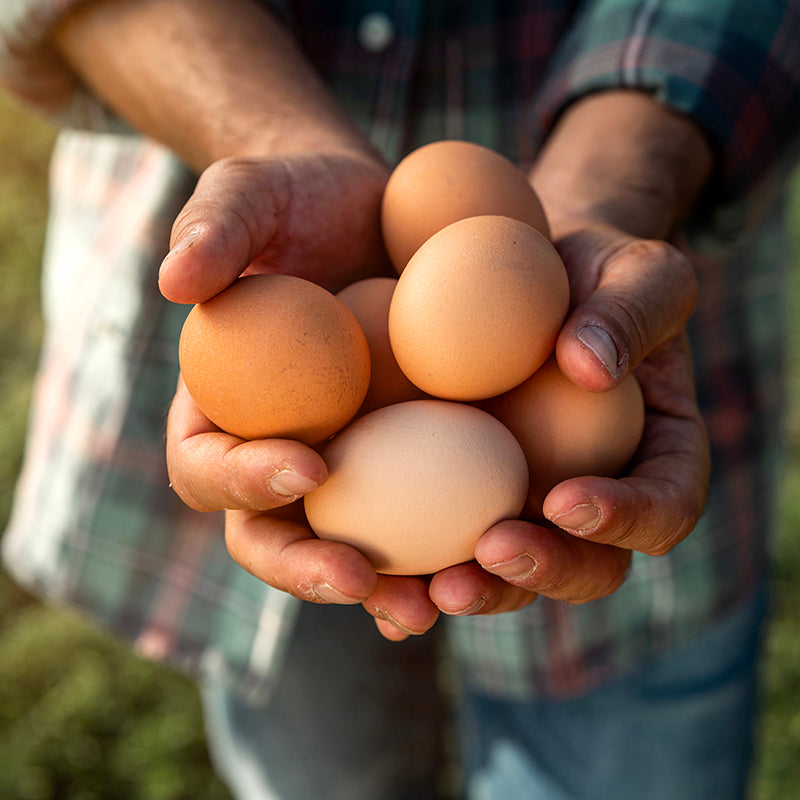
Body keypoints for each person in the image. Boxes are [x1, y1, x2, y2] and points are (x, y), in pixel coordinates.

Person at [2, 1, 799, 798]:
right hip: (292, 405)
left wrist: (608, 195)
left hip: (638, 293)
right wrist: (275, 142)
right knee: (326, 766)